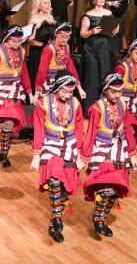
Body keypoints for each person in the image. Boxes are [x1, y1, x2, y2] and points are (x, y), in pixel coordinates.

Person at [80, 74, 137, 239]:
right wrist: (84, 158)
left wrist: (132, 154)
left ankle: (101, 217)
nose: (117, 95)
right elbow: (91, 133)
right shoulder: (96, 108)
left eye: (120, 92)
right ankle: (98, 219)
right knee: (106, 188)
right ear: (105, 90)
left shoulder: (122, 104)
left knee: (115, 191)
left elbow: (127, 129)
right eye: (114, 92)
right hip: (101, 151)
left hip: (119, 150)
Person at [31, 72, 85, 244]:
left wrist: (79, 153)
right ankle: (56, 218)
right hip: (50, 144)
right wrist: (36, 154)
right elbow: (39, 129)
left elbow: (78, 129)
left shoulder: (75, 104)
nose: (68, 95)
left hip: (70, 146)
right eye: (65, 92)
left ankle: (55, 220)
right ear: (57, 88)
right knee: (54, 181)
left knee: (64, 189)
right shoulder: (43, 104)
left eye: (70, 92)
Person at [0, 26, 34, 167]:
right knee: (7, 122)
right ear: (8, 39)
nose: (17, 44)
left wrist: (30, 92)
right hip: (1, 90)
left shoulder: (21, 51)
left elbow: (24, 73)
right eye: (15, 41)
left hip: (15, 91)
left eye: (20, 41)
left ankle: (4, 151)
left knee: (11, 122)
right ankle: (4, 152)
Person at [79, 0, 119, 113]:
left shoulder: (108, 13)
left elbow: (110, 32)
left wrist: (114, 32)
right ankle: (90, 110)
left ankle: (104, 109)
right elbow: (82, 34)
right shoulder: (88, 15)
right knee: (92, 78)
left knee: (104, 76)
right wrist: (92, 31)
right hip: (91, 49)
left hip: (104, 49)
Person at [34, 22, 85, 101]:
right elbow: (42, 71)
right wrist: (36, 93)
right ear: (56, 34)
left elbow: (70, 67)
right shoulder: (49, 49)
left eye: (67, 37)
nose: (65, 40)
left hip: (62, 82)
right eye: (62, 37)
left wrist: (79, 88)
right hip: (49, 83)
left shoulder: (66, 47)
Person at [115, 38, 137, 145]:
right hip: (122, 100)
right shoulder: (122, 67)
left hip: (133, 100)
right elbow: (115, 85)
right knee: (126, 123)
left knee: (135, 123)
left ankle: (130, 143)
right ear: (130, 51)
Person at [26, 0, 56, 93]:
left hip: (50, 53)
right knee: (38, 76)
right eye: (45, 3)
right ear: (39, 5)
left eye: (49, 3)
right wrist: (42, 45)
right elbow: (29, 41)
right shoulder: (34, 19)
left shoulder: (52, 19)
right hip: (38, 53)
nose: (48, 5)